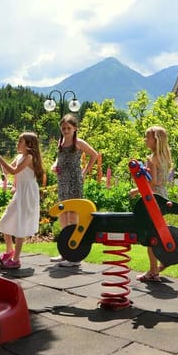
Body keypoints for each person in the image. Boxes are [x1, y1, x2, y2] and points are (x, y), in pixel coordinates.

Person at [50, 113, 99, 267]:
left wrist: (85, 172)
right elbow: (59, 158)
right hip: (62, 181)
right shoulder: (61, 141)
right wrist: (55, 164)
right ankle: (65, 251)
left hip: (74, 181)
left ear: (75, 128)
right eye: (63, 127)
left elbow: (94, 155)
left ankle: (75, 254)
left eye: (68, 128)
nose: (65, 130)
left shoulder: (79, 142)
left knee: (73, 214)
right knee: (63, 213)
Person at [0, 132, 45, 270]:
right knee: (5, 221)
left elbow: (14, 171)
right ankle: (9, 252)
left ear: (28, 145)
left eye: (20, 141)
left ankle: (16, 259)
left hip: (28, 193)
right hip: (20, 192)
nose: (17, 144)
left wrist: (1, 160)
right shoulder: (20, 156)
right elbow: (8, 171)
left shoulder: (29, 157)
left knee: (21, 225)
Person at [132, 125, 173, 282]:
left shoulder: (152, 159)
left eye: (147, 137)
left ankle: (152, 271)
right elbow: (159, 182)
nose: (145, 140)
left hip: (153, 198)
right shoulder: (165, 158)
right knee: (160, 231)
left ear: (155, 140)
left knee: (151, 235)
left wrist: (136, 190)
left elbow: (152, 183)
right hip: (163, 196)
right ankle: (163, 260)